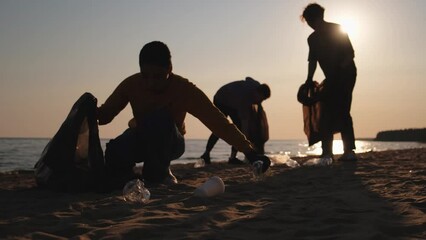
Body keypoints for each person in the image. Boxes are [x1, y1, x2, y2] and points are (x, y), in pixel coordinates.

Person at [97, 41, 270, 188]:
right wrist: (88, 108)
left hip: (172, 142)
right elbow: (105, 116)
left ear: (170, 69)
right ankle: (132, 177)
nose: (150, 83)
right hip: (141, 137)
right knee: (114, 150)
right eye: (145, 76)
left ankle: (160, 174)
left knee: (160, 118)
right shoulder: (131, 84)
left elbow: (218, 122)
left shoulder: (184, 90)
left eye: (158, 77)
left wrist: (250, 152)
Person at [301, 3, 358, 161]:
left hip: (346, 75)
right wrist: (309, 79)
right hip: (331, 78)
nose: (311, 25)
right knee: (325, 112)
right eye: (308, 22)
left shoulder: (337, 29)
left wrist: (339, 71)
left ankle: (349, 151)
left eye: (312, 21)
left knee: (343, 109)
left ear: (320, 17)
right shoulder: (312, 39)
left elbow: (350, 54)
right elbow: (312, 60)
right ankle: (327, 152)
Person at [200, 78, 271, 164]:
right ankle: (206, 154)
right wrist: (246, 143)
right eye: (261, 99)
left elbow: (248, 78)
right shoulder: (245, 100)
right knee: (221, 128)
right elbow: (244, 126)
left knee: (237, 128)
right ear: (257, 93)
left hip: (232, 102)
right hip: (221, 100)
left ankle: (232, 158)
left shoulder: (256, 85)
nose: (260, 102)